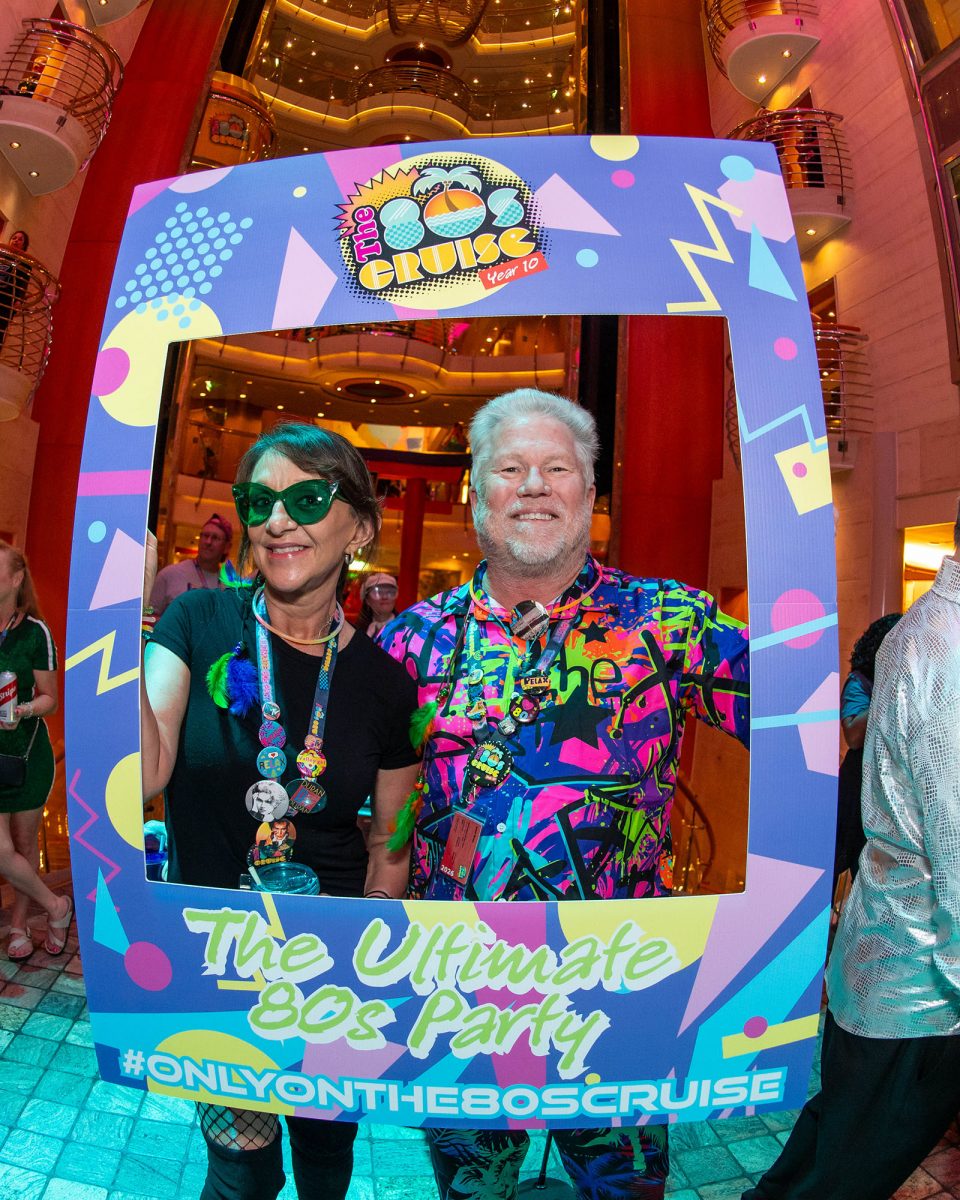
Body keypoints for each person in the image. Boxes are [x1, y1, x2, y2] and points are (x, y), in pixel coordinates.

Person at [380, 389, 750, 1200]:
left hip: (619, 991)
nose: (535, 486)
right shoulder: (410, 641)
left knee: (624, 1192)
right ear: (474, 491)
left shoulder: (671, 622)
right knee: (474, 1192)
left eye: (557, 468)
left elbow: (810, 720)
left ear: (590, 492)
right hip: (461, 994)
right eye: (510, 468)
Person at [141, 423, 421, 1200]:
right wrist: (111, 622)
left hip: (334, 969)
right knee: (242, 1171)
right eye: (258, 501)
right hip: (220, 959)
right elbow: (144, 772)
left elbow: (388, 844)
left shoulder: (387, 685)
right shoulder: (198, 623)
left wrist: (369, 960)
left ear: (359, 527)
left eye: (306, 500)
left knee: (327, 1162)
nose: (275, 520)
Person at [743, 512, 960, 1200]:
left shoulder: (928, 629)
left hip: (897, 963)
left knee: (831, 1155)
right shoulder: (945, 648)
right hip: (920, 981)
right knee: (840, 1174)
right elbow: (954, 839)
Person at [0, 541, 73, 960]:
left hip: (25, 757)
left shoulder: (34, 632)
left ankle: (18, 926)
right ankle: (55, 906)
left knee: (25, 844)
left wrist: (21, 710)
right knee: (2, 850)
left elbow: (51, 699)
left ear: (15, 579)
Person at [833, 612, 901, 893]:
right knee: (842, 863)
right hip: (857, 790)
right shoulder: (860, 682)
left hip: (887, 793)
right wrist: (888, 689)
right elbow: (853, 736)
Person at [148, 513, 233, 617]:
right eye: (205, 535)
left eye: (215, 538)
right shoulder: (169, 574)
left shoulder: (229, 587)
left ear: (227, 547)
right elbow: (148, 616)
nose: (208, 542)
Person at [0, 230, 31, 353]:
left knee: (1, 327)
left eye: (20, 239)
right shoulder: (2, 255)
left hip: (7, 299)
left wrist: (18, 300)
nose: (16, 241)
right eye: (14, 238)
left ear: (24, 245)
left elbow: (23, 283)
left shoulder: (25, 263)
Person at [357, 571, 398, 638]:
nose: (385, 597)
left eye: (390, 592)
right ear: (367, 600)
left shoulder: (406, 626)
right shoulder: (357, 630)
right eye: (377, 592)